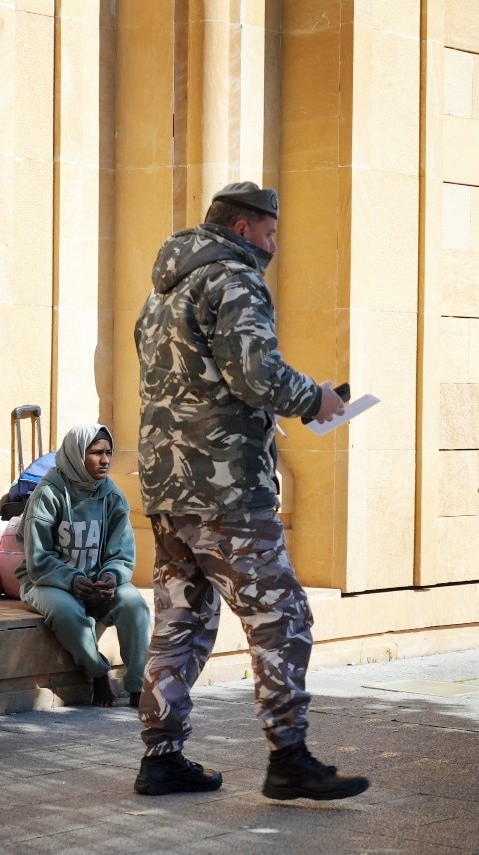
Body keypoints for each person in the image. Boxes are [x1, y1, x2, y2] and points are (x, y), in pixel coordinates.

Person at [131, 181, 370, 800]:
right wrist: (314, 397)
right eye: (269, 233)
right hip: (227, 488)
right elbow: (256, 372)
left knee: (180, 623)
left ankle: (160, 759)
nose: (274, 245)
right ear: (242, 230)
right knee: (282, 619)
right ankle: (288, 757)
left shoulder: (162, 294)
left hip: (169, 488)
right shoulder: (233, 280)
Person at [15, 423, 150, 708]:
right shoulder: (48, 494)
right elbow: (38, 559)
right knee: (66, 613)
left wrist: (112, 576)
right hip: (46, 581)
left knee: (134, 604)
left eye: (109, 452)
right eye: (96, 452)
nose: (105, 460)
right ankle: (98, 673)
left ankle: (139, 686)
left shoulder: (112, 496)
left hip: (96, 582)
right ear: (77, 455)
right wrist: (72, 580)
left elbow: (122, 554)